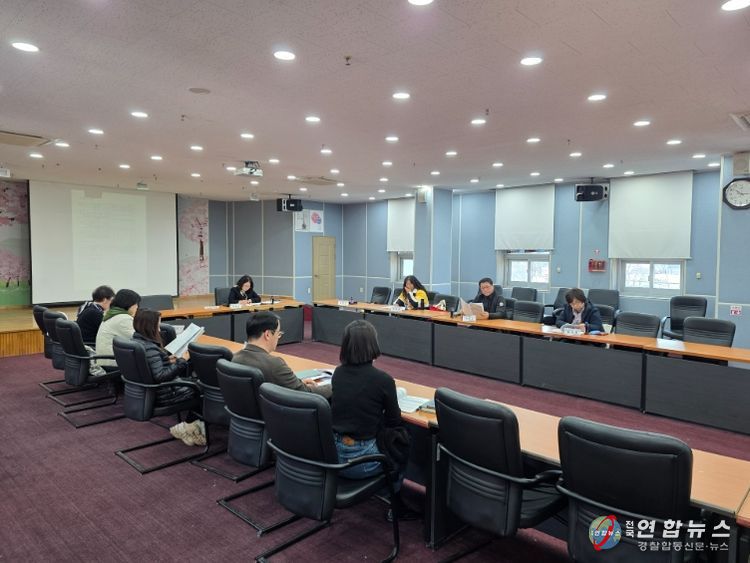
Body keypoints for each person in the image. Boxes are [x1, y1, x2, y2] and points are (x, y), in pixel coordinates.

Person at [131, 309, 203, 446]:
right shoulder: (150, 348)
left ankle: (191, 426)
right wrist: (182, 360)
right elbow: (160, 376)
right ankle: (190, 427)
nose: (159, 329)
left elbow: (151, 367)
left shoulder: (137, 341)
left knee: (197, 383)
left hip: (150, 392)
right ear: (149, 327)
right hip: (166, 393)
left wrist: (167, 360)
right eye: (157, 325)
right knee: (204, 388)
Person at [232, 311, 331, 399]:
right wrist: (335, 386)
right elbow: (306, 393)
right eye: (278, 333)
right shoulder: (274, 364)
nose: (278, 337)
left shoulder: (235, 358)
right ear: (267, 334)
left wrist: (297, 382)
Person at [95, 289, 140, 367]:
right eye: (136, 304)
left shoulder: (112, 314)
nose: (137, 307)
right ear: (129, 304)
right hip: (113, 363)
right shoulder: (123, 318)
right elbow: (139, 341)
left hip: (105, 360)